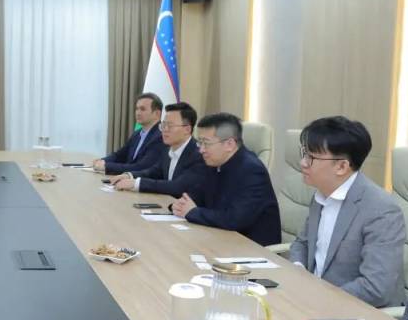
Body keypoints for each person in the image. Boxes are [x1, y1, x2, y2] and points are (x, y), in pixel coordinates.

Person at [288, 117, 405, 307]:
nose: (303, 163)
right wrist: (298, 270)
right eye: (304, 153)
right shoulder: (322, 193)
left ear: (342, 166)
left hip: (357, 311)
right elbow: (302, 243)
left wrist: (319, 297)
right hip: (314, 301)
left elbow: (376, 288)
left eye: (311, 157)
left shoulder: (382, 210)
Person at [171, 113, 281, 246]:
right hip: (220, 237)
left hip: (250, 247)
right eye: (200, 142)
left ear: (229, 144)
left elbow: (234, 219)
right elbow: (197, 196)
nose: (201, 150)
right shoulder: (214, 162)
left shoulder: (252, 171)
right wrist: (179, 205)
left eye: (206, 143)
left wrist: (193, 212)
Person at [109, 102, 210, 200]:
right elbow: (153, 172)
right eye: (163, 125)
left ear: (187, 129)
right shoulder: (167, 149)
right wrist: (129, 175)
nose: (165, 130)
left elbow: (178, 186)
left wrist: (136, 183)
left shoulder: (198, 154)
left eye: (170, 126)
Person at [94, 92, 166, 175]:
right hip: (126, 179)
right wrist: (102, 161)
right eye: (137, 109)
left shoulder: (160, 136)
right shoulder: (137, 134)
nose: (138, 113)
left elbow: (141, 167)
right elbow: (120, 155)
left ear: (157, 114)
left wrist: (106, 166)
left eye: (142, 109)